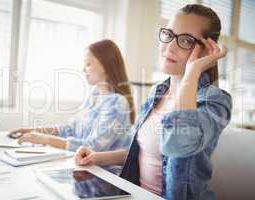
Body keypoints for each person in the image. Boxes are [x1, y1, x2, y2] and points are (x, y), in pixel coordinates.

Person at [75, 4, 232, 200]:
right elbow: (141, 151)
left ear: (207, 50)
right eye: (169, 35)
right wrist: (97, 157)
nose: (170, 46)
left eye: (185, 40)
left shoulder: (216, 101)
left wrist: (193, 72)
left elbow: (178, 145)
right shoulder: (157, 92)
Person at [11, 39, 135, 156]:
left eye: (88, 64)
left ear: (104, 65)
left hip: (104, 172)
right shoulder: (95, 95)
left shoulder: (117, 103)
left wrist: (46, 139)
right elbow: (70, 129)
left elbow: (93, 148)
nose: (83, 69)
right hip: (82, 166)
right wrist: (34, 131)